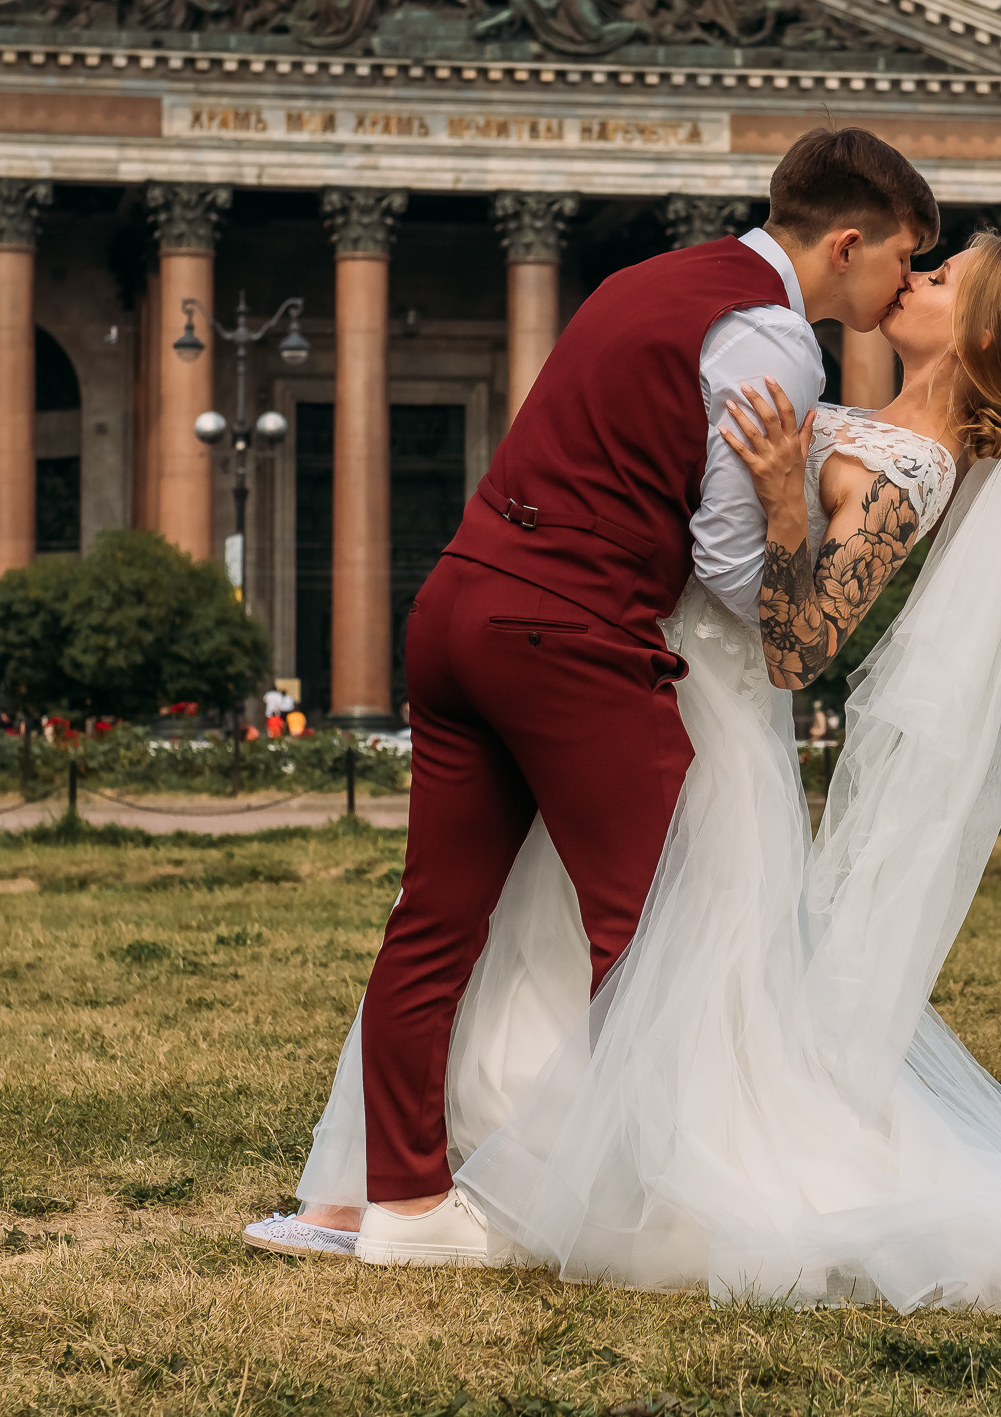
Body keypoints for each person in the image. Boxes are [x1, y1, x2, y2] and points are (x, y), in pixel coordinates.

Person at [250, 232, 1001, 1318]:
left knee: (663, 950)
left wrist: (784, 491)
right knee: (561, 937)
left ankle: (619, 1178)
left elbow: (801, 646)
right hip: (620, 670)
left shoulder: (916, 462)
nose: (914, 277)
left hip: (699, 707)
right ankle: (496, 1167)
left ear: (980, 329)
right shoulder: (858, 406)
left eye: (942, 277)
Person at [242, 127, 934, 1267]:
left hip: (457, 600)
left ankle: (398, 1196)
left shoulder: (644, 280)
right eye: (898, 260)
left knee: (433, 917)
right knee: (654, 925)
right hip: (567, 635)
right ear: (846, 242)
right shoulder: (772, 336)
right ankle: (632, 1197)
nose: (899, 286)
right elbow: (723, 566)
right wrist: (791, 515)